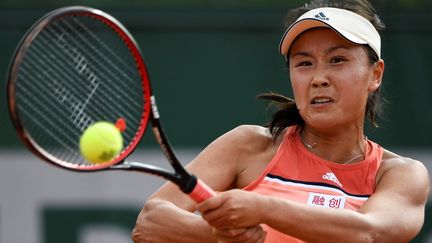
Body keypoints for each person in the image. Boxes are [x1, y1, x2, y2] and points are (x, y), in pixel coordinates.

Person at [132, 0, 430, 242]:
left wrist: (264, 208)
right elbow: (150, 222)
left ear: (375, 74)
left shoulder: (400, 175)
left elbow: (369, 232)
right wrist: (217, 236)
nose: (318, 78)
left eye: (337, 60)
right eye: (304, 63)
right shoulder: (248, 145)